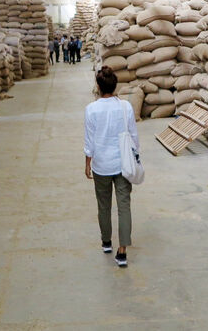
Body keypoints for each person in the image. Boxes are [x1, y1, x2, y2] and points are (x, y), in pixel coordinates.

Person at [84, 66, 139, 267]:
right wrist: (136, 158)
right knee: (124, 206)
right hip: (122, 163)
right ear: (115, 86)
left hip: (101, 165)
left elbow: (89, 141)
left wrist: (87, 162)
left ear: (98, 86)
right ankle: (122, 251)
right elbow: (133, 136)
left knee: (104, 204)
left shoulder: (91, 109)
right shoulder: (126, 107)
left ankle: (106, 242)